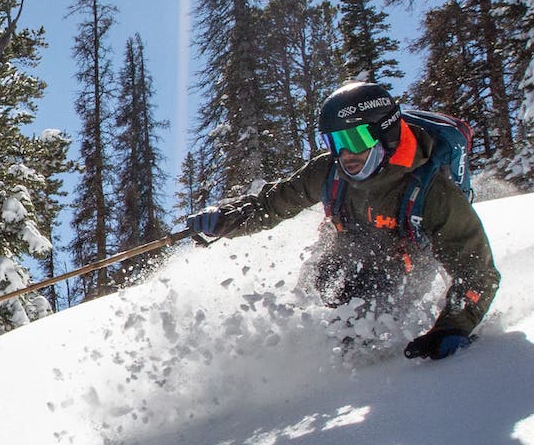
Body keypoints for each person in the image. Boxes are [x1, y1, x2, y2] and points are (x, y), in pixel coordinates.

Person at [181, 80, 500, 360]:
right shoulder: (328, 171)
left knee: (362, 319)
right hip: (346, 244)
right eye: (336, 142)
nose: (346, 153)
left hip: (407, 261)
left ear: (384, 134)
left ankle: (353, 377)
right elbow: (272, 204)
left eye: (356, 139)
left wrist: (452, 327)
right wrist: (225, 220)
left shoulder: (432, 191)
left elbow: (477, 272)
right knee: (312, 294)